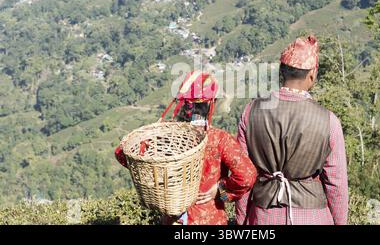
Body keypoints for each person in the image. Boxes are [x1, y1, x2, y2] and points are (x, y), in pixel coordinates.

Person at [115, 70, 257, 225]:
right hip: (210, 218)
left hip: (173, 220)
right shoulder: (219, 139)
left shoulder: (165, 135)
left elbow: (122, 152)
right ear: (211, 104)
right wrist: (220, 192)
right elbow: (247, 175)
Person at [235, 35, 348, 225]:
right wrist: (339, 222)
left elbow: (243, 174)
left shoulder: (251, 112)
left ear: (282, 71)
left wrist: (241, 219)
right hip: (313, 217)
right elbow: (336, 185)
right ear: (312, 73)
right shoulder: (328, 121)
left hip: (264, 216)